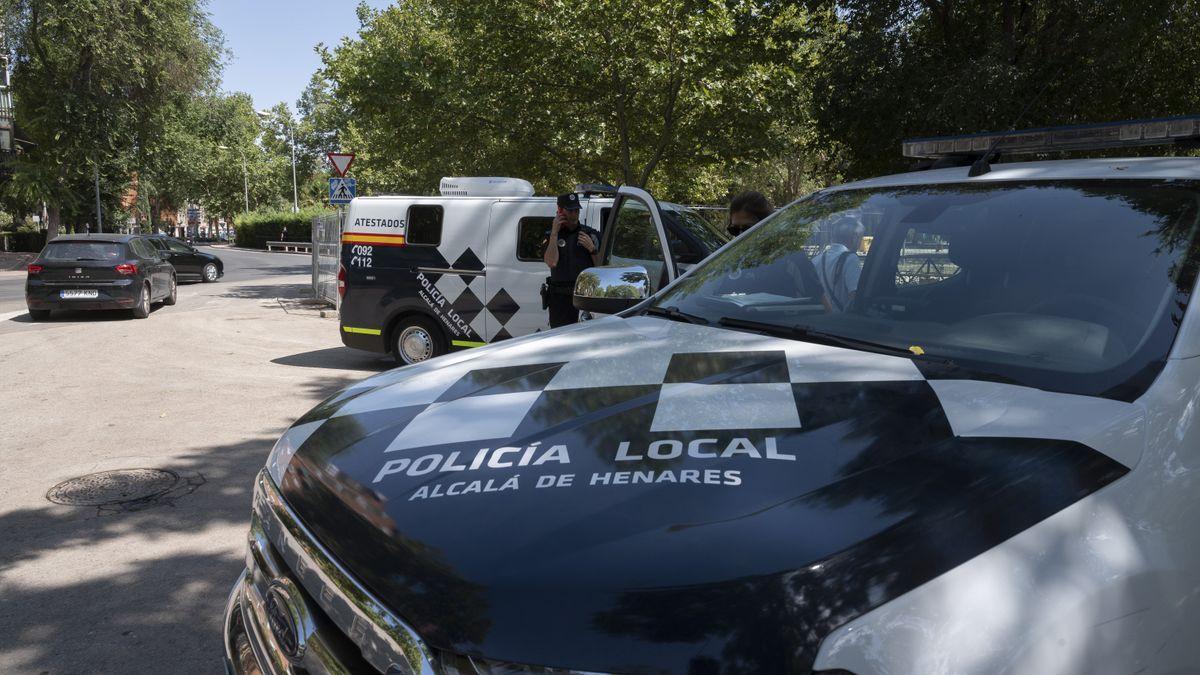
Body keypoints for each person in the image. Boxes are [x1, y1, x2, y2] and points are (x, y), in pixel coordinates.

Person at [542, 192, 600, 328]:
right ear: (560, 211)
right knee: (560, 339)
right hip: (560, 301)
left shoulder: (590, 234)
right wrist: (554, 233)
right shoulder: (551, 236)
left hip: (584, 298)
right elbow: (551, 262)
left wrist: (592, 249)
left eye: (576, 210)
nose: (574, 214)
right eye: (570, 210)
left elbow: (601, 267)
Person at [813, 215, 865, 312]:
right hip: (839, 323)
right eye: (861, 238)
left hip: (817, 320)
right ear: (855, 237)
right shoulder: (851, 259)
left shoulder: (816, 260)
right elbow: (854, 296)